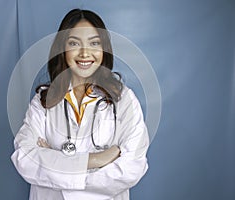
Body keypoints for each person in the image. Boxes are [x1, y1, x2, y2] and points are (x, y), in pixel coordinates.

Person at [11, 8, 149, 200]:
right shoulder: (43, 101)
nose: (85, 53)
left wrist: (56, 160)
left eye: (94, 43)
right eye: (75, 43)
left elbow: (131, 168)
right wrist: (95, 160)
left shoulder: (123, 100)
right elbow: (25, 159)